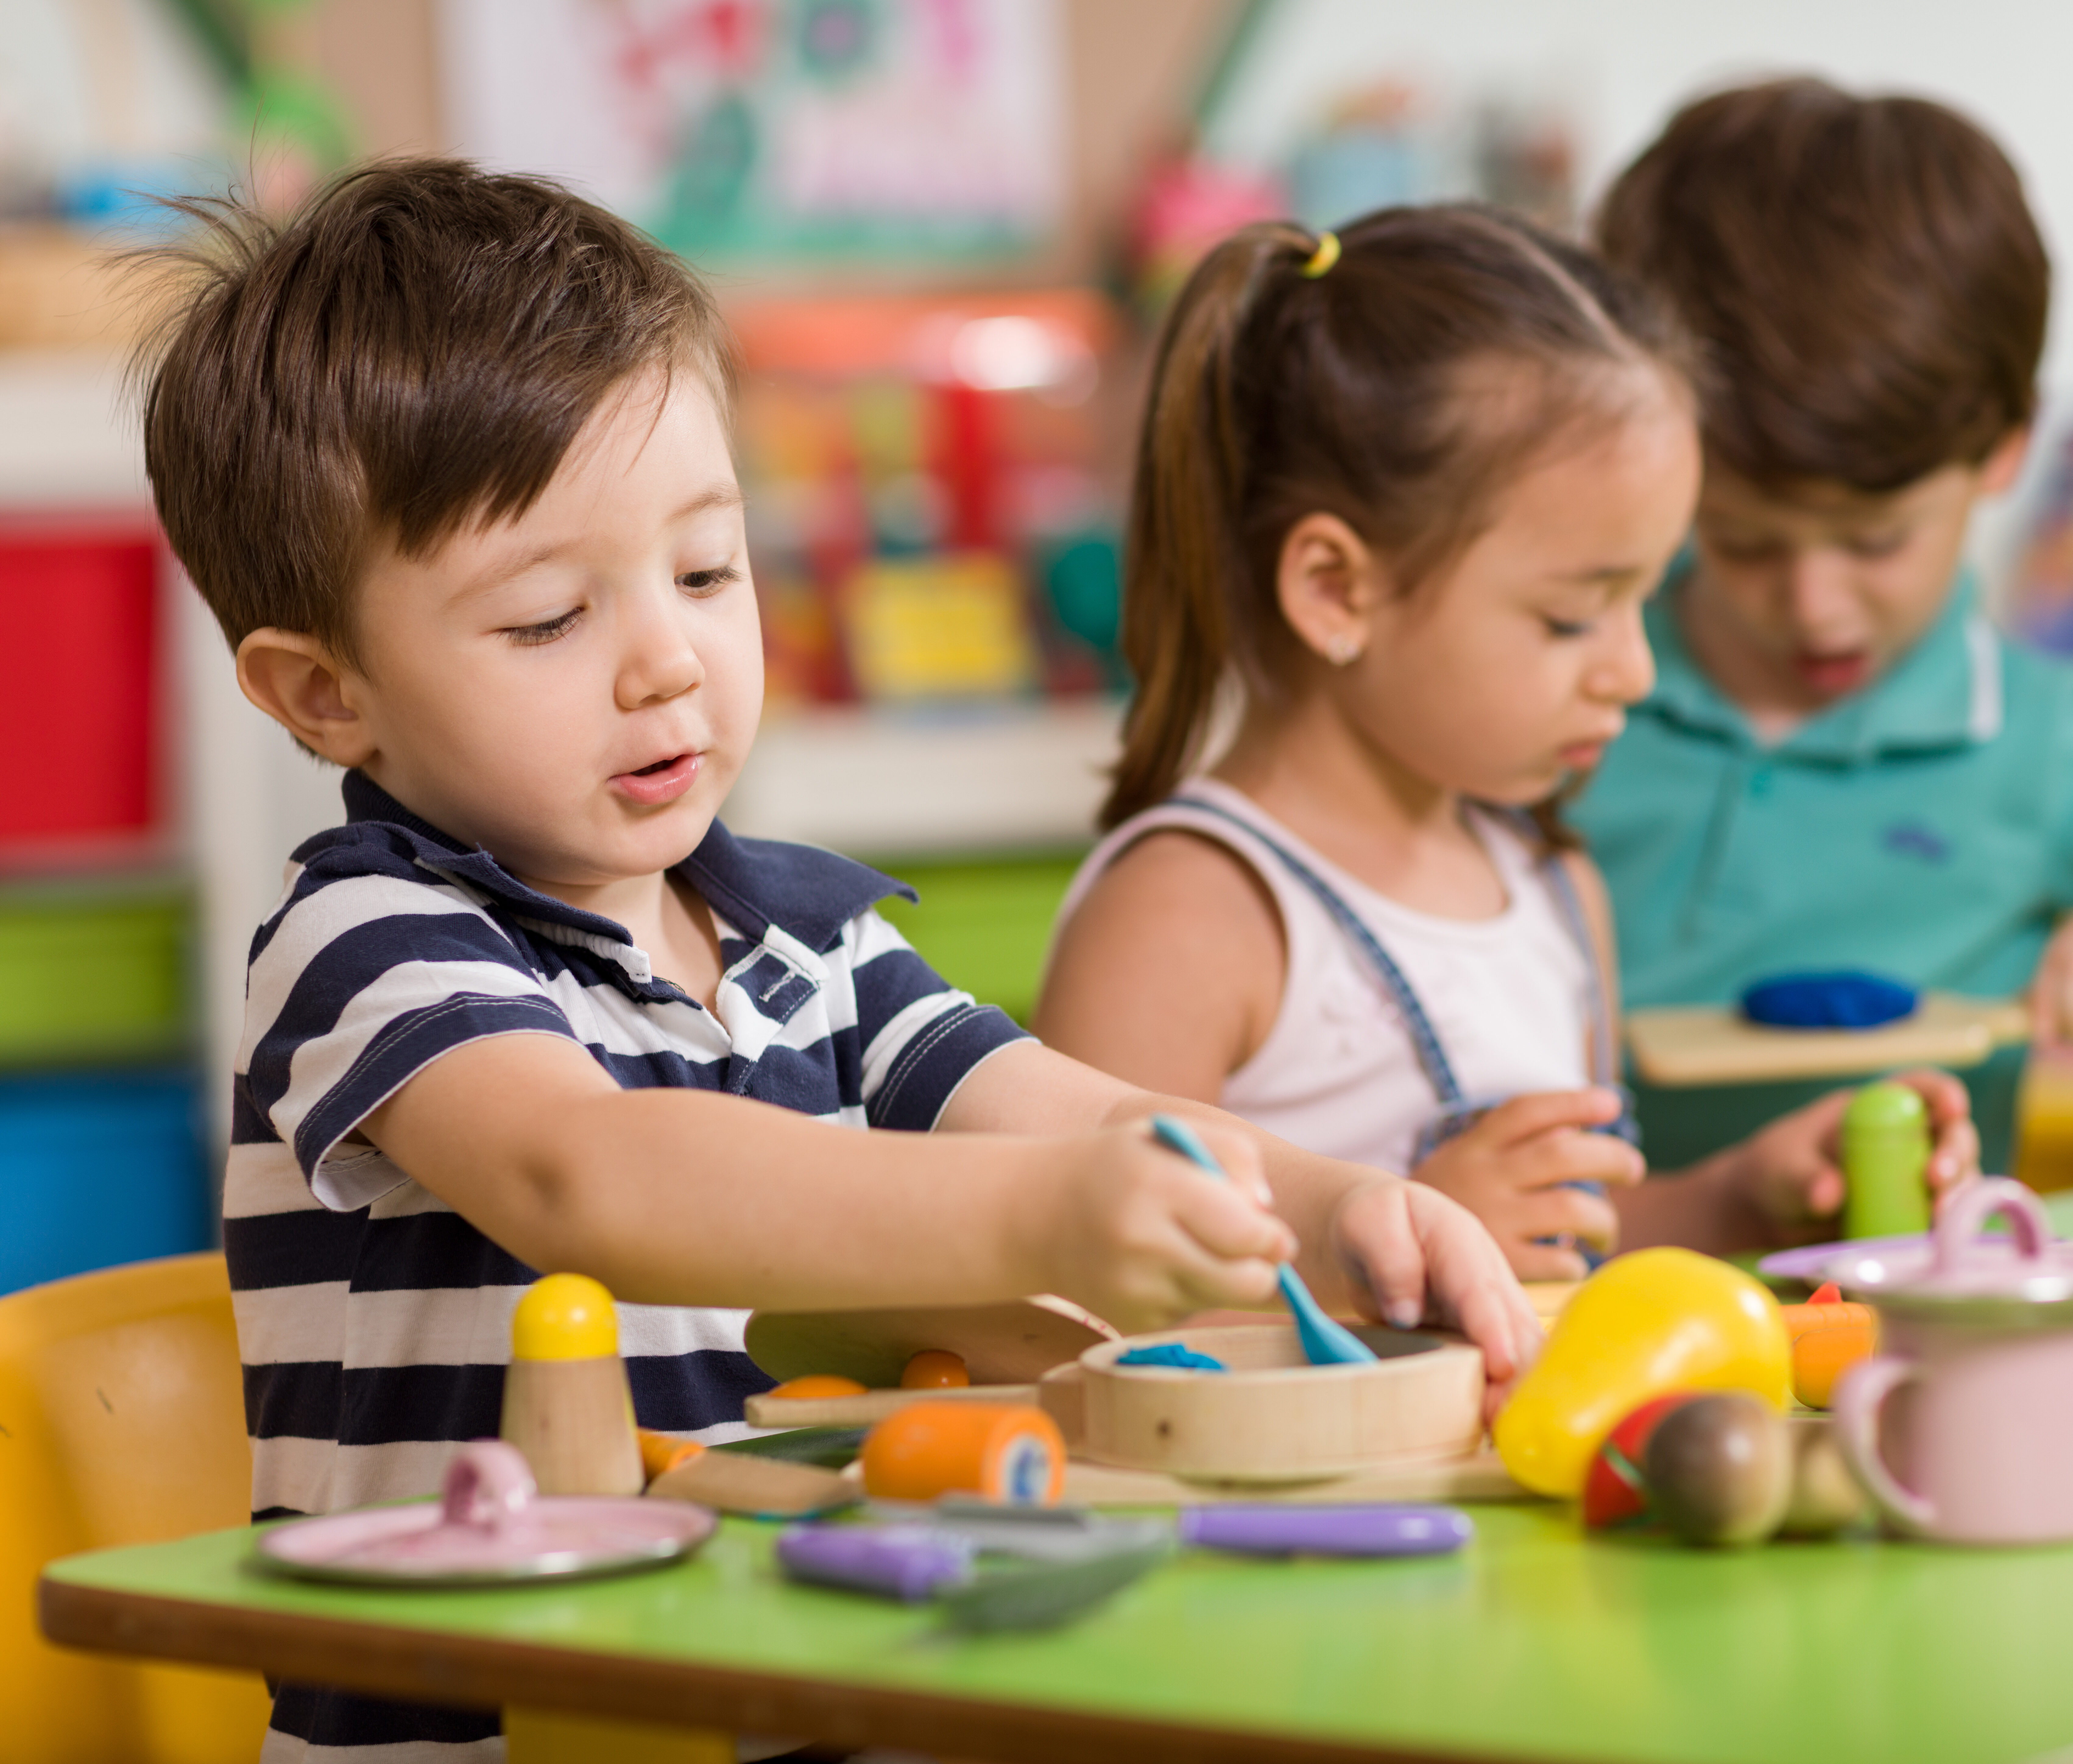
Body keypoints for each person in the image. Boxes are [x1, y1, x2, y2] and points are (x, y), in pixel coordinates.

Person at [139, 162, 1537, 1762]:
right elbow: (592, 1176)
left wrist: (1334, 1207)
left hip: (777, 1698)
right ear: (324, 697)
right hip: (496, 1734)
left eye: (707, 570)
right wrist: (1039, 1222)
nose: (668, 658)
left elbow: (1071, 1114)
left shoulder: (807, 938)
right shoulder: (366, 938)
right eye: (546, 619)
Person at [1035, 205, 1977, 1281]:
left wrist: (1741, 1197)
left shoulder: (1554, 885)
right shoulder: (1189, 916)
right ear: (1338, 591)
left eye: (1648, 599)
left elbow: (1574, 1249)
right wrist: (1396, 1253)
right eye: (1573, 617)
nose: (1634, 671)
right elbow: (1074, 1319)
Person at [1578, 79, 2062, 1174]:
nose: (1814, 606)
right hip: (1569, 1309)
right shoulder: (1556, 695)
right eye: (1744, 541)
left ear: (2005, 448)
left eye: (1877, 541)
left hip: (1909, 1314)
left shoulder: (2047, 741)